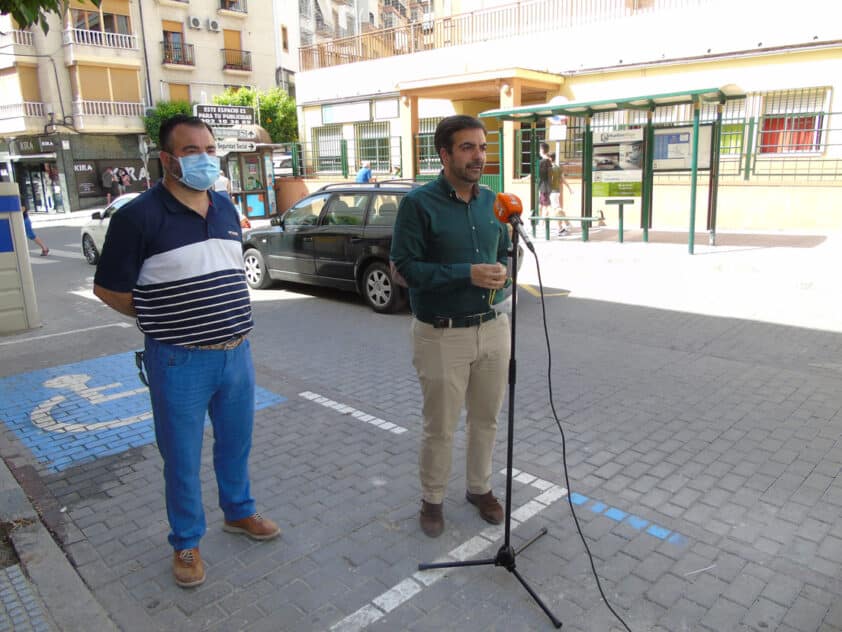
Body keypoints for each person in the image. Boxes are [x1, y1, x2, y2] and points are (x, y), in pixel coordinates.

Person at [92, 114, 280, 589]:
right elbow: (108, 289)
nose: (204, 157)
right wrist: (157, 316)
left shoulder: (221, 207)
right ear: (166, 159)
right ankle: (186, 541)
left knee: (236, 443)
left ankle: (238, 512)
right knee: (180, 456)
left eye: (209, 148)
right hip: (179, 359)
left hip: (237, 352)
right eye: (191, 150)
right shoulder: (137, 217)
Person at [391, 115, 511, 538]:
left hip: (494, 328)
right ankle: (433, 499)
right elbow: (404, 268)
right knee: (440, 426)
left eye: (482, 147)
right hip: (441, 334)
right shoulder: (418, 204)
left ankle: (480, 489)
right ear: (444, 154)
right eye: (467, 148)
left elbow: (508, 250)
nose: (478, 155)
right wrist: (467, 273)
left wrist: (504, 273)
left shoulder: (492, 200)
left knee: (487, 419)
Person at [549, 152, 574, 236]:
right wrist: (569, 188)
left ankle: (563, 226)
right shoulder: (558, 168)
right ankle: (565, 225)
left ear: (550, 158)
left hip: (552, 192)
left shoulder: (550, 168)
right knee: (557, 209)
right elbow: (563, 179)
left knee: (557, 209)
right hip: (557, 191)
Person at [538, 142, 553, 219]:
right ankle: (541, 222)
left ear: (541, 150)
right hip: (547, 186)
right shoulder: (549, 161)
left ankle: (560, 224)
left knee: (547, 206)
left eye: (539, 149)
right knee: (541, 205)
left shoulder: (543, 162)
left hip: (544, 187)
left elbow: (539, 174)